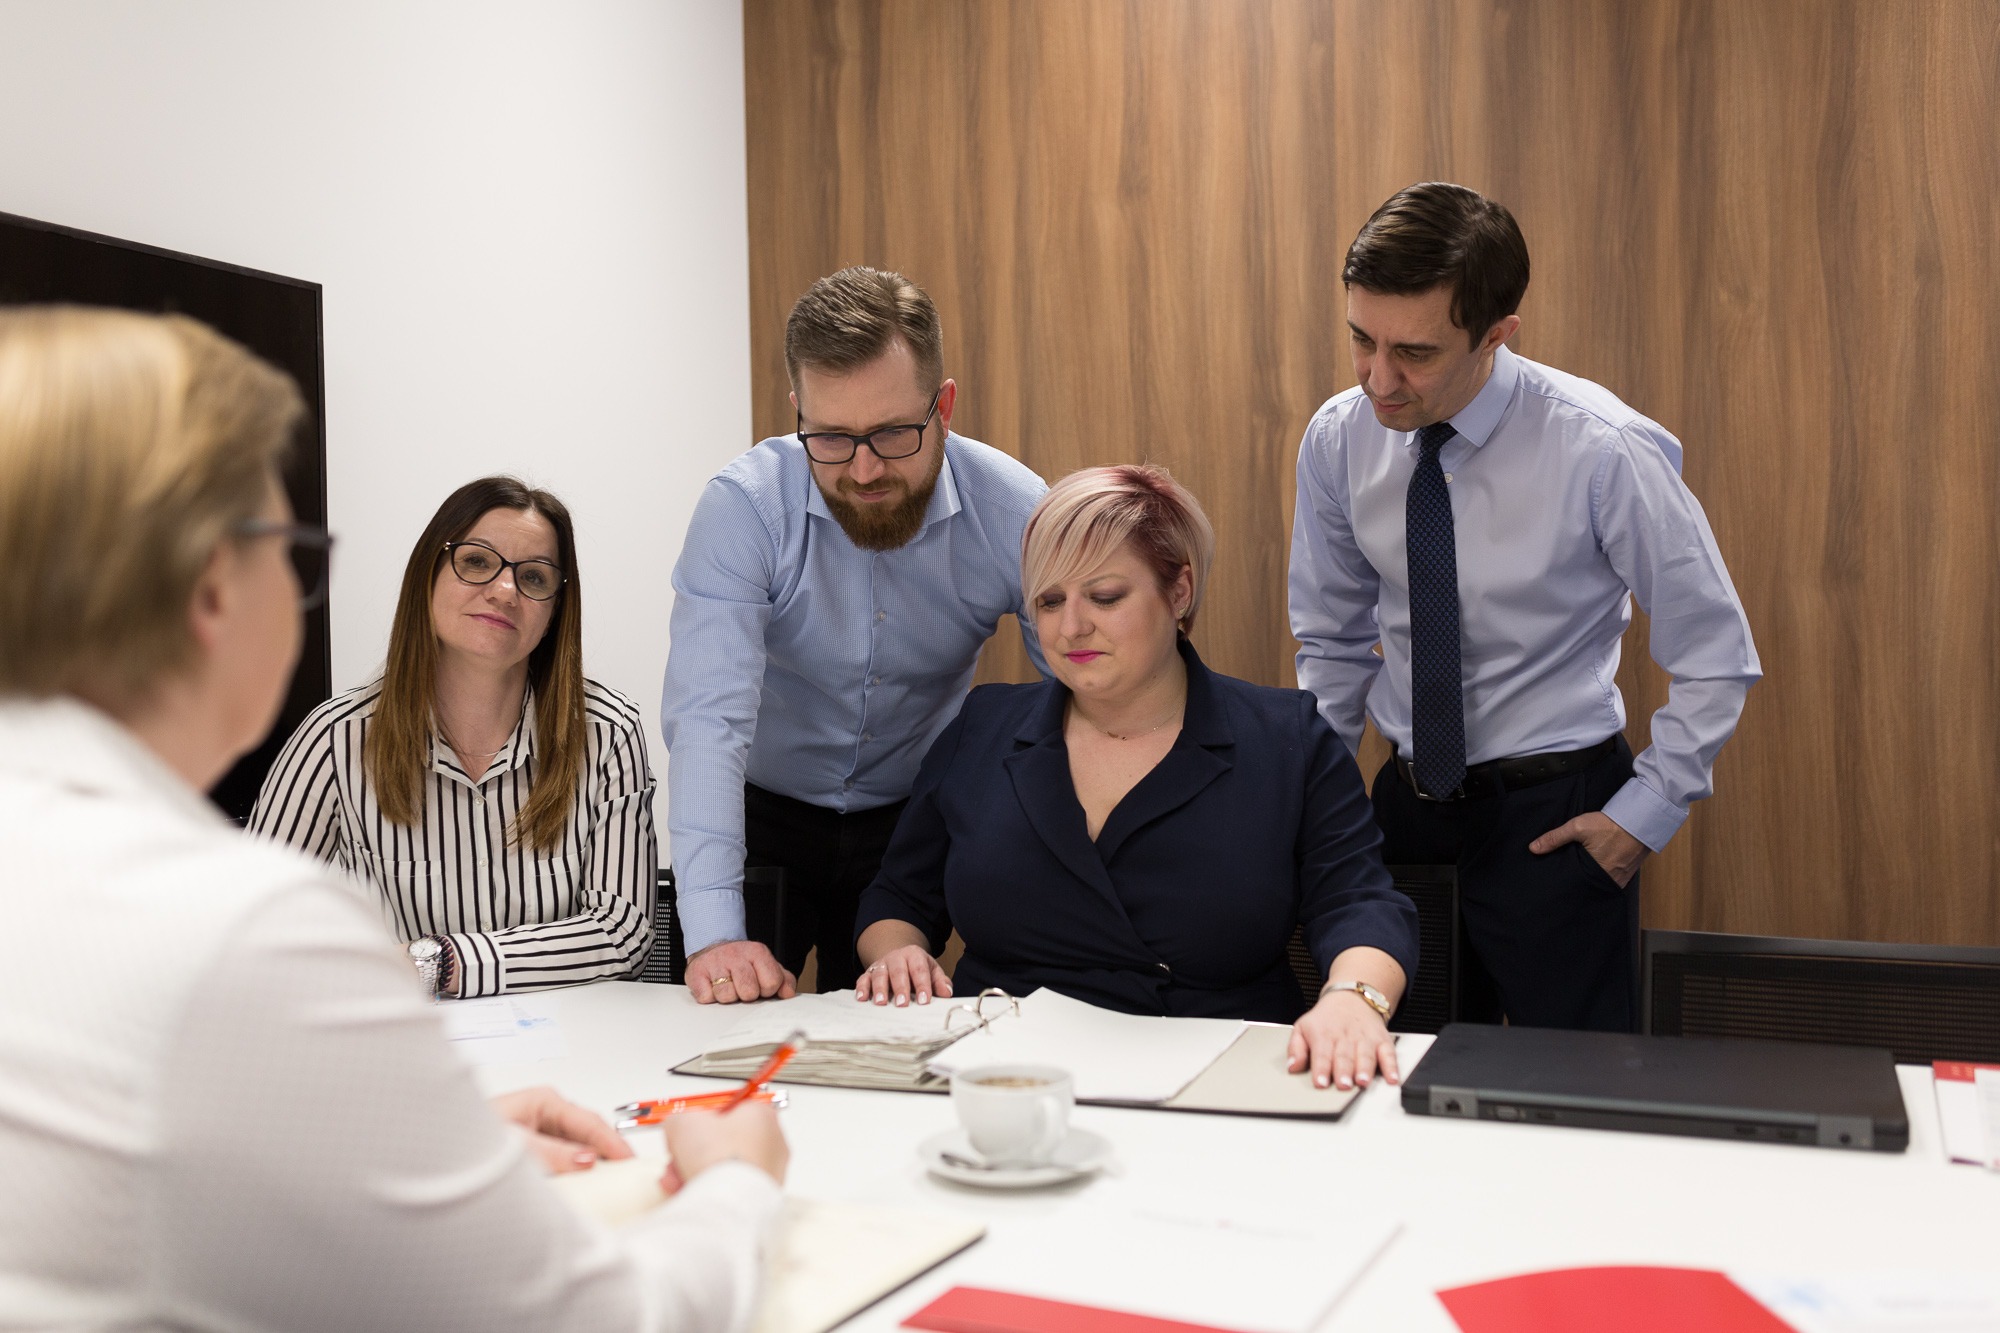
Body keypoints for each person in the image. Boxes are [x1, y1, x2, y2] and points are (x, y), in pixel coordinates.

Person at [0, 306, 787, 1330]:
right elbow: (589, 1319)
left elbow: (174, 1158)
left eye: (533, 576)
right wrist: (738, 1182)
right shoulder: (259, 921)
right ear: (207, 587)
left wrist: (418, 1150)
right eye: (289, 549)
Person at [1288, 182, 1761, 1032]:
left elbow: (1715, 650)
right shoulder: (1338, 437)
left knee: (1571, 1107)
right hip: (1402, 815)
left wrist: (1641, 817)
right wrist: (1317, 807)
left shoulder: (1602, 449)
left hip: (1557, 818)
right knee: (1394, 1084)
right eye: (1362, 339)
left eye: (1416, 353)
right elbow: (1331, 640)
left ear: (1497, 335)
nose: (1379, 379)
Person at [854, 465, 1419, 1091]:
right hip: (1002, 1077)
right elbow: (898, 899)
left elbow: (1359, 902)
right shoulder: (983, 726)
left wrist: (1353, 998)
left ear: (1178, 593)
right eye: (1049, 601)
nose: (1071, 628)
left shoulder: (1285, 738)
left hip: (1218, 1075)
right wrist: (896, 954)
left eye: (1104, 597)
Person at [663, 266, 1048, 1004]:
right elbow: (708, 724)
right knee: (723, 1026)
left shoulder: (1017, 512)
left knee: (884, 1045)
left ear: (945, 405)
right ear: (796, 409)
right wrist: (714, 937)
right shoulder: (744, 510)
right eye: (832, 438)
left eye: (894, 433)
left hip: (909, 823)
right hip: (761, 811)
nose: (865, 469)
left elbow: (1081, 702)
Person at [251, 476, 656, 997]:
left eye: (533, 577)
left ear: (554, 611)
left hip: (570, 1049)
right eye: (477, 563)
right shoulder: (335, 741)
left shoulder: (608, 734)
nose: (505, 590)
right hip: (404, 1051)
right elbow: (250, 929)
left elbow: (624, 934)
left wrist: (440, 962)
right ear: (428, 574)